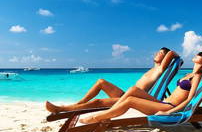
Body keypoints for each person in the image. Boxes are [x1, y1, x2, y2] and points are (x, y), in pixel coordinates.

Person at [78, 51, 202, 124]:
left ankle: (98, 117)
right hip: (163, 102)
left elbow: (190, 99)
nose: (198, 54)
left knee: (130, 100)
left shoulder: (197, 76)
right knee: (133, 90)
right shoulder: (189, 74)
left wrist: (169, 112)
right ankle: (109, 113)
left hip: (168, 107)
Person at [46, 47, 179, 113]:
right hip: (125, 94)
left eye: (161, 53)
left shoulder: (160, 69)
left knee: (98, 102)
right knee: (101, 81)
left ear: (165, 58)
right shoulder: (152, 68)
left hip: (132, 98)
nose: (157, 53)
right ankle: (78, 103)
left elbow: (172, 53)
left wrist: (172, 56)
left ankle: (62, 109)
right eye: (157, 52)